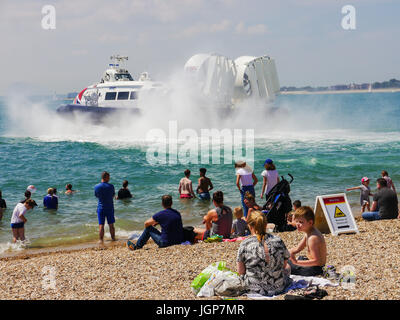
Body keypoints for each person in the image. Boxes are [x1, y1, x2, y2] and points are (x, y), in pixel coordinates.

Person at [237, 210, 292, 296]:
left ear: (250, 226)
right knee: (288, 266)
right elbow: (284, 265)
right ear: (265, 224)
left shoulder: (245, 244)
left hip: (254, 288)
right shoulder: (278, 240)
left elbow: (241, 271)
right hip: (278, 287)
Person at [288, 206, 327, 276]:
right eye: (296, 221)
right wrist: (286, 253)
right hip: (312, 265)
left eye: (301, 222)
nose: (297, 224)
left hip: (314, 269)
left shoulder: (313, 238)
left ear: (310, 222)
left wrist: (296, 262)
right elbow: (298, 248)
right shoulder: (308, 232)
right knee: (284, 261)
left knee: (285, 266)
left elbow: (317, 261)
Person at [94, 171, 116, 243]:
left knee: (101, 225)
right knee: (111, 224)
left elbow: (97, 196)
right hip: (109, 207)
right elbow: (113, 195)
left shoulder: (96, 186)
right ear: (106, 177)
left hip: (101, 207)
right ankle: (113, 239)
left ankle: (101, 240)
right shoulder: (111, 186)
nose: (109, 178)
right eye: (108, 177)